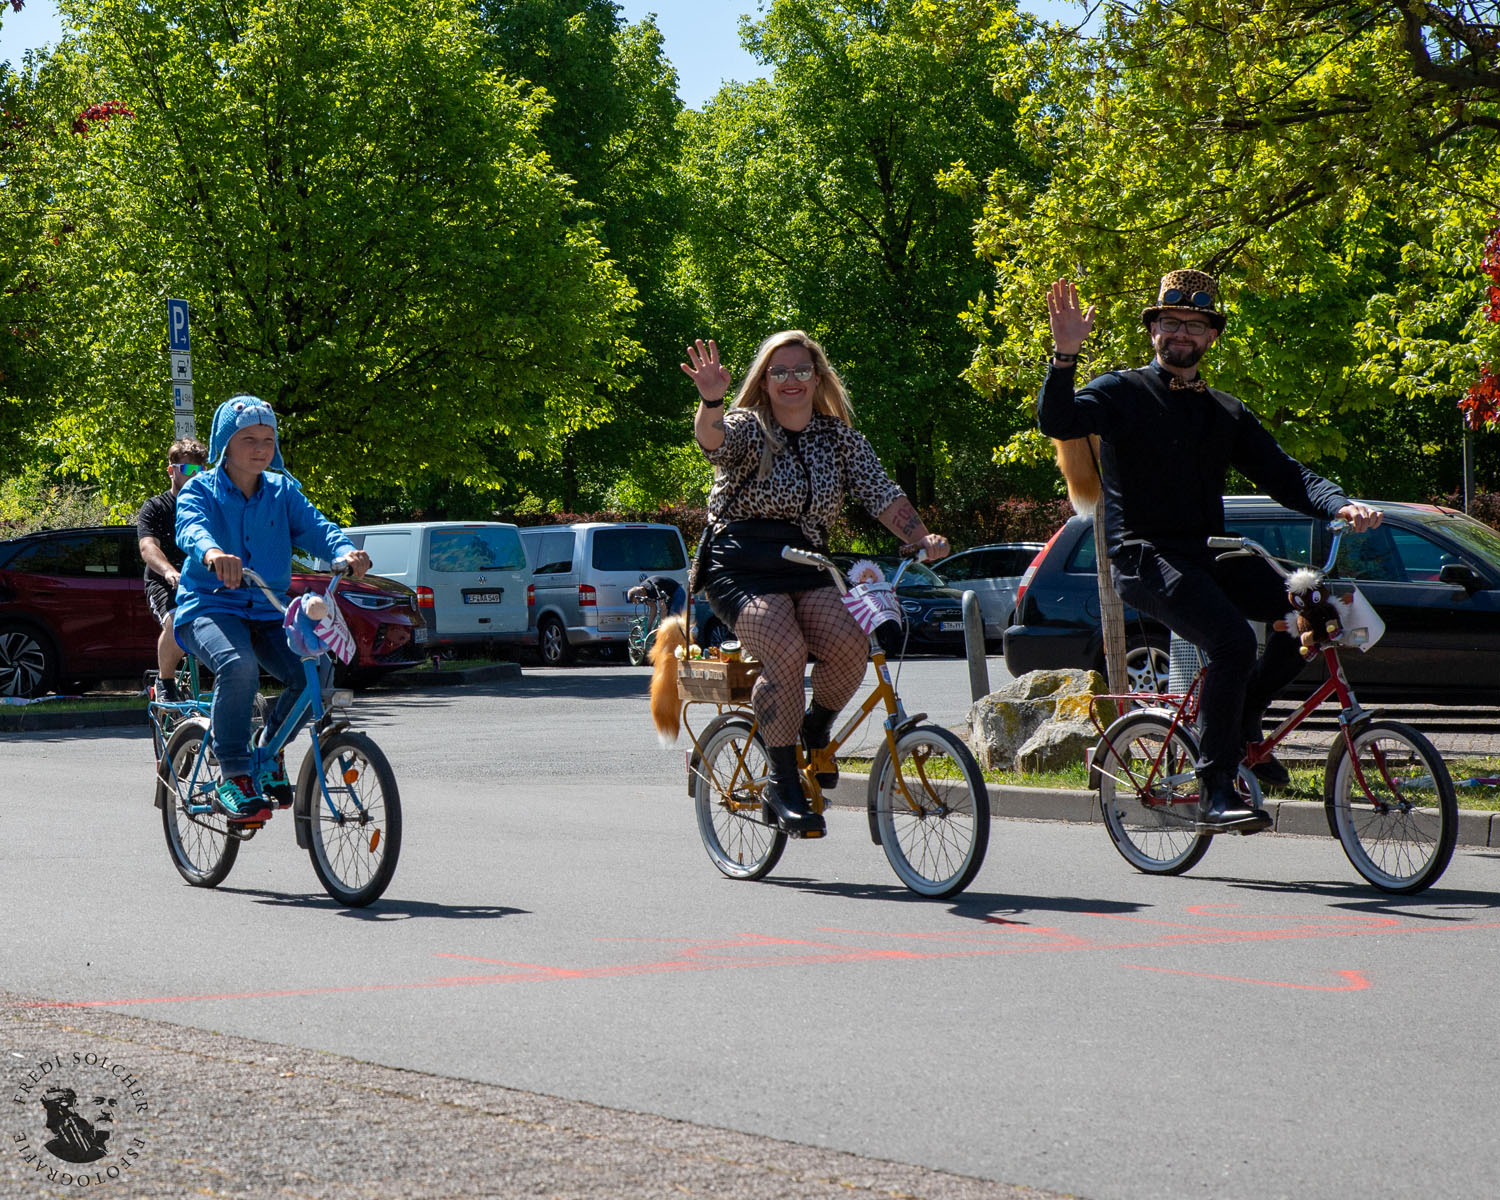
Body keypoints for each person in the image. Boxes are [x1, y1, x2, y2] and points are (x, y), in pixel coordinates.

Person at [1039, 269, 1381, 831]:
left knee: (1312, 611)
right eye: (1171, 322)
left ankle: (1246, 711)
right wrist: (1064, 355)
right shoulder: (1121, 392)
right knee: (1228, 640)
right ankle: (1215, 787)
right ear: (1153, 329)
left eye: (1195, 325)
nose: (1182, 333)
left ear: (1211, 337)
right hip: (1144, 557)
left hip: (1206, 555)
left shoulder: (1225, 410)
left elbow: (1284, 473)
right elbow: (1058, 419)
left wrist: (1339, 504)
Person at [681, 331, 949, 838]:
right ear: (764, 379)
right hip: (739, 563)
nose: (790, 381)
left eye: (801, 371)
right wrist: (711, 399)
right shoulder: (747, 427)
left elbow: (881, 493)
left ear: (818, 377)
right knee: (783, 647)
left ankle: (814, 729)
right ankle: (781, 783)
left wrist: (921, 537)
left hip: (804, 559)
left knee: (851, 644)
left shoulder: (838, 437)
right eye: (778, 372)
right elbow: (712, 441)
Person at [174, 395, 371, 824]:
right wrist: (212, 554)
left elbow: (318, 528)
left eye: (268, 438)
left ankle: (269, 747)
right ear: (225, 443)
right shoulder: (199, 489)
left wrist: (345, 551)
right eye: (249, 438)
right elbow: (190, 528)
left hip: (269, 609)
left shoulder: (283, 492)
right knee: (239, 665)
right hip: (209, 607)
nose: (261, 447)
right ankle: (235, 772)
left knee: (315, 672)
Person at [136, 437, 209, 701]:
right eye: (188, 470)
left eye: (200, 471)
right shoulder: (155, 507)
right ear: (171, 471)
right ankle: (165, 680)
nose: (195, 476)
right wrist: (169, 571)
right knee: (177, 619)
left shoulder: (208, 507)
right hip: (165, 582)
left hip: (201, 579)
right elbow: (148, 548)